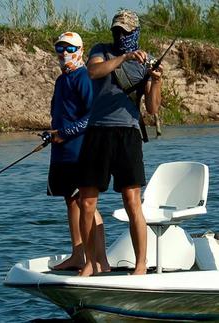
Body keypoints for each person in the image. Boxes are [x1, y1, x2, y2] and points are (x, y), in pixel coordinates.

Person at [78, 9, 163, 276]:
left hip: (128, 133)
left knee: (131, 199)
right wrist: (124, 57)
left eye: (126, 32)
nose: (121, 35)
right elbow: (93, 72)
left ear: (135, 32)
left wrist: (156, 80)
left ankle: (140, 265)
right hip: (97, 132)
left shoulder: (146, 61)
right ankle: (90, 262)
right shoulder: (101, 50)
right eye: (117, 31)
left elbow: (152, 107)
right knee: (87, 201)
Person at [47, 32, 109, 271]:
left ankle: (100, 260)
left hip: (81, 150)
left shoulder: (84, 77)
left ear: (80, 51)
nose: (64, 54)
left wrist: (67, 133)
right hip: (61, 152)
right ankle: (78, 253)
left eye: (70, 49)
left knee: (87, 203)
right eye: (60, 49)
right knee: (71, 202)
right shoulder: (61, 80)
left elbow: (93, 115)